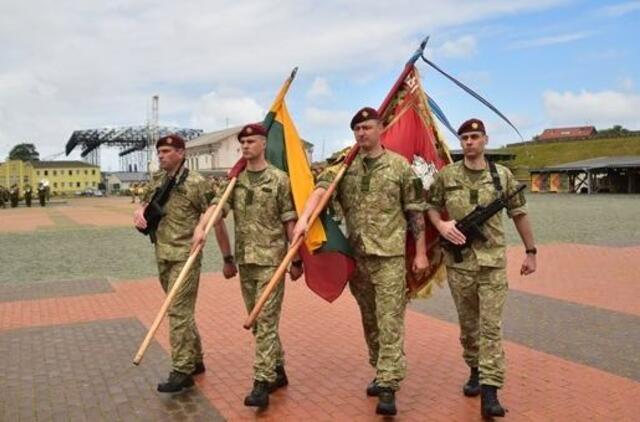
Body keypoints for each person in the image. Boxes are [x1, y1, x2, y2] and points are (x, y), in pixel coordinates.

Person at [293, 107, 429, 416]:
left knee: (390, 319)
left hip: (390, 257)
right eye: (357, 129)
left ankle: (389, 384)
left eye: (367, 127)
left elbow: (415, 211)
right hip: (359, 257)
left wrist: (420, 252)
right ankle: (380, 369)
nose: (362, 133)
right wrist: (304, 219)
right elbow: (321, 189)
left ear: (381, 129)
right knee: (370, 319)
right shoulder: (346, 166)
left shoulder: (399, 167)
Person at [426, 118, 537, 418]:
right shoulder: (446, 175)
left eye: (475, 136)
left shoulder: (502, 177)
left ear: (485, 140)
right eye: (464, 138)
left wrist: (531, 252)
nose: (470, 142)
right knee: (469, 327)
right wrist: (442, 224)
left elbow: (520, 214)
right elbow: (431, 205)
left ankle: (490, 391)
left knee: (490, 328)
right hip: (459, 264)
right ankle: (475, 369)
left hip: (492, 265)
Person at [197, 123, 302, 409]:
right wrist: (209, 236)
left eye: (251, 141)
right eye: (242, 143)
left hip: (272, 261)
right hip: (246, 262)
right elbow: (218, 212)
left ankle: (261, 382)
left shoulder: (279, 180)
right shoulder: (236, 181)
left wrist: (295, 258)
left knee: (265, 322)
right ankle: (278, 369)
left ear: (263, 143)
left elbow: (289, 221)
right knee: (258, 323)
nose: (245, 146)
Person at [133, 134, 215, 393]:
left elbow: (215, 206)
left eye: (167, 151)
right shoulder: (157, 179)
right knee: (182, 311)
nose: (161, 155)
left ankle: (182, 370)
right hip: (163, 253)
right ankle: (196, 358)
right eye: (159, 152)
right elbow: (144, 201)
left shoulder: (196, 182)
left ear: (181, 153)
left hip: (186, 255)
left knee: (177, 311)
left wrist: (202, 228)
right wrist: (138, 212)